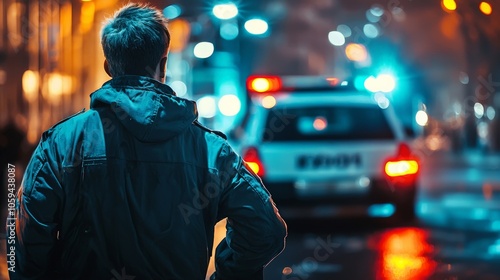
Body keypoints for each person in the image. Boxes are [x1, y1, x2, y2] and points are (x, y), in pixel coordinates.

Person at [10, 3, 287, 279]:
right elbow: (266, 229)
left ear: (108, 66)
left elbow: (28, 237)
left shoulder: (62, 144)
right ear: (163, 65)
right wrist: (227, 272)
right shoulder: (211, 151)